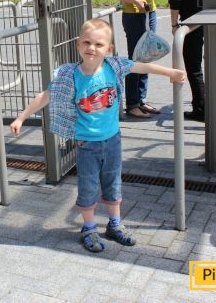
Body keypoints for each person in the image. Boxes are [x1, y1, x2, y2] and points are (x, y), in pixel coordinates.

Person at [10, 19, 186, 253]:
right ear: (78, 44)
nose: (91, 48)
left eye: (99, 44)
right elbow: (45, 96)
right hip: (87, 145)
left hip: (112, 140)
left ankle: (115, 224)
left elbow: (143, 67)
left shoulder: (114, 66)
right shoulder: (69, 75)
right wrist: (21, 117)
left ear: (109, 49)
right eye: (87, 42)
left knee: (113, 184)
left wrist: (171, 73)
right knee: (88, 187)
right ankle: (89, 228)